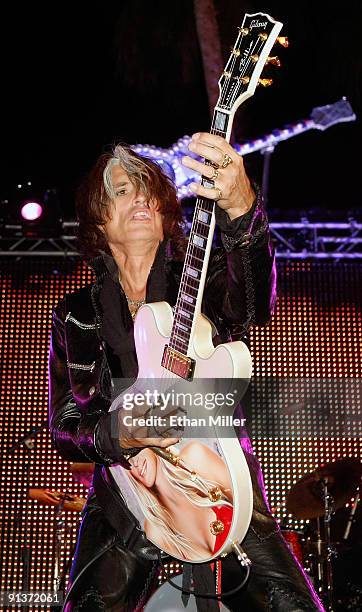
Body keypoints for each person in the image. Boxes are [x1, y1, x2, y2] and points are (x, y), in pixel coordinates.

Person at [48, 133, 324, 611]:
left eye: (147, 189)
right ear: (98, 222)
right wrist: (123, 430)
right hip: (127, 497)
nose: (138, 198)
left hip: (216, 483)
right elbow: (66, 426)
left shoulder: (199, 280)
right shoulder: (76, 314)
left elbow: (255, 303)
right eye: (120, 190)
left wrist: (241, 206)